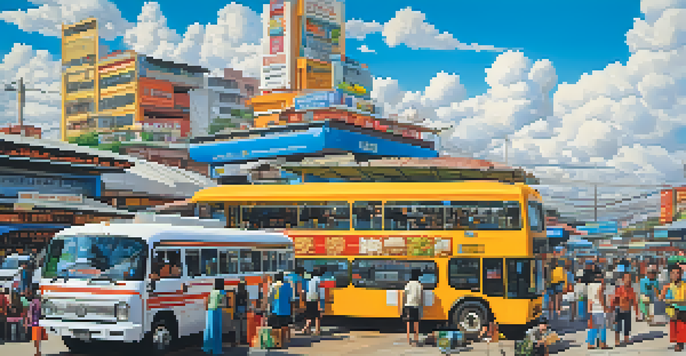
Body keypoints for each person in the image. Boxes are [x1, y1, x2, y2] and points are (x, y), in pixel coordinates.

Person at [663, 258, 686, 351]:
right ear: (670, 275)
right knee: (674, 326)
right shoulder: (669, 286)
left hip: (682, 309)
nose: (676, 275)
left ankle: (680, 344)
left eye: (678, 273)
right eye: (673, 273)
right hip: (673, 309)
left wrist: (673, 301)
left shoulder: (684, 285)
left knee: (681, 326)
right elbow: (662, 298)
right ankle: (678, 342)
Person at [612, 272, 638, 347]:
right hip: (619, 309)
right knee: (618, 326)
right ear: (623, 280)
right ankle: (617, 340)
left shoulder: (632, 290)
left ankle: (626, 338)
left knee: (627, 325)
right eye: (626, 278)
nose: (628, 280)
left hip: (628, 310)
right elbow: (615, 300)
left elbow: (635, 302)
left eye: (629, 278)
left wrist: (637, 313)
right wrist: (612, 310)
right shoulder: (619, 289)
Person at [587, 268, 609, 349]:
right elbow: (601, 297)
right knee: (602, 327)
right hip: (600, 308)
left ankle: (590, 343)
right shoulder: (601, 285)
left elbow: (589, 300)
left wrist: (589, 311)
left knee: (592, 327)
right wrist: (605, 307)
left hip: (593, 309)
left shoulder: (590, 285)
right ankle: (602, 343)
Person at [269, 272, 293, 347]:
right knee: (284, 326)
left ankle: (276, 342)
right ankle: (281, 342)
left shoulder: (273, 286)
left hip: (275, 309)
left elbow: (270, 298)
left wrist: (268, 308)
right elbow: (291, 298)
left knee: (275, 327)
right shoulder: (288, 286)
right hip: (286, 309)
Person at [203, 278, 225, 355]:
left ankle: (207, 348)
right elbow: (223, 302)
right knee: (217, 331)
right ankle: (217, 351)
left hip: (210, 310)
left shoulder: (212, 291)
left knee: (209, 330)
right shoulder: (221, 291)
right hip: (216, 310)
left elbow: (207, 300)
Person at [403, 269, 423, 345]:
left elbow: (404, 294)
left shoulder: (409, 284)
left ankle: (408, 338)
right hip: (416, 305)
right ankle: (416, 338)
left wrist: (403, 303)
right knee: (416, 322)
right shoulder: (419, 284)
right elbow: (421, 296)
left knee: (408, 322)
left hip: (408, 304)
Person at [301, 266, 322, 336]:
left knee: (309, 315)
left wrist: (303, 299)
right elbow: (319, 290)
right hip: (315, 298)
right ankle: (317, 330)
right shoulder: (317, 279)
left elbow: (303, 291)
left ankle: (307, 329)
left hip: (308, 298)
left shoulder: (307, 280)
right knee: (317, 316)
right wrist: (319, 301)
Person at [28, 285, 44, 356]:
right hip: (40, 321)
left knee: (36, 337)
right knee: (38, 338)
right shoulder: (41, 303)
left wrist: (29, 320)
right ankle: (38, 350)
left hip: (34, 321)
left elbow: (30, 312)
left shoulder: (33, 302)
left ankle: (37, 351)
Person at [234, 280, 248, 345]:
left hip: (238, 310)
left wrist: (235, 312)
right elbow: (247, 303)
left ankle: (238, 340)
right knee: (244, 326)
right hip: (243, 310)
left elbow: (235, 303)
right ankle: (244, 340)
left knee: (238, 327)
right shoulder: (245, 293)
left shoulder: (237, 294)